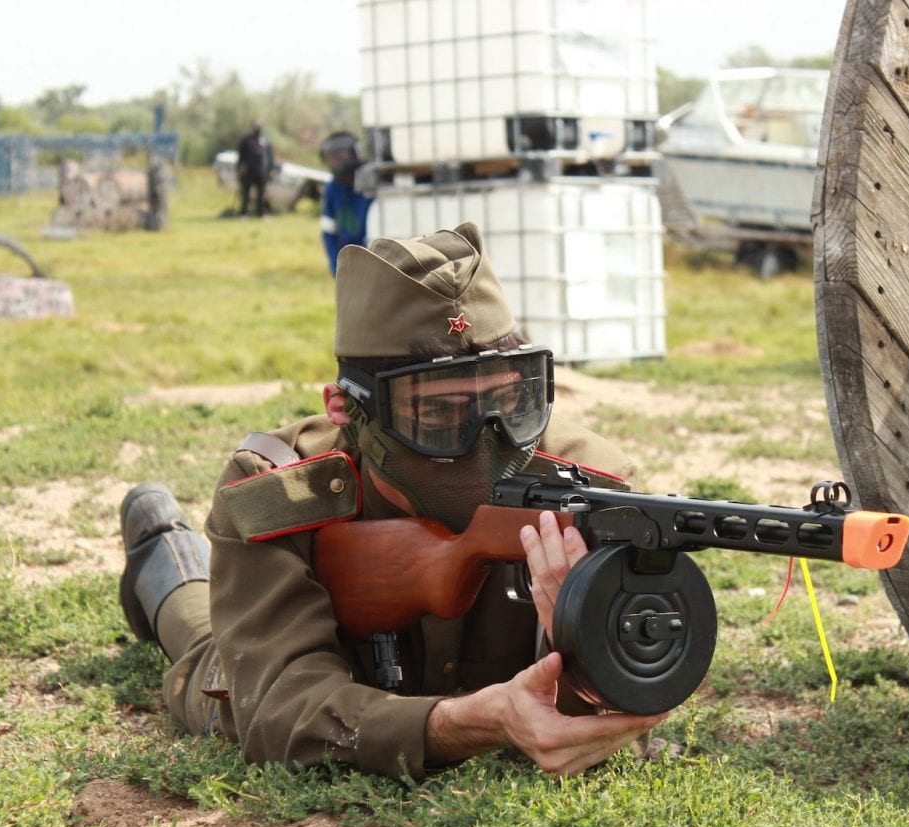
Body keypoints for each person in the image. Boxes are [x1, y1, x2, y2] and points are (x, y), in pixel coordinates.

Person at [118, 222, 667, 780]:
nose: (484, 440)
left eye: (506, 402)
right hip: (283, 670)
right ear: (343, 408)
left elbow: (617, 706)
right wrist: (475, 722)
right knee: (201, 641)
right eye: (434, 415)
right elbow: (281, 709)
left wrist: (581, 646)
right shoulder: (278, 489)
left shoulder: (593, 489)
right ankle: (161, 542)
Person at [318, 131, 374, 275]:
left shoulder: (372, 183)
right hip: (349, 260)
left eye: (341, 156)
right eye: (332, 158)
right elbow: (328, 232)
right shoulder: (332, 188)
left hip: (375, 257)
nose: (337, 162)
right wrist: (336, 266)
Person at [236, 119, 275, 217]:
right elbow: (241, 155)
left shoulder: (265, 140)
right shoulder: (246, 140)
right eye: (256, 126)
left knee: (261, 195)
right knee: (245, 194)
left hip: (261, 171)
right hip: (248, 171)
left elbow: (270, 156)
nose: (257, 129)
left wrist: (270, 169)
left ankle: (261, 213)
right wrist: (239, 168)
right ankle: (243, 213)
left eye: (259, 127)